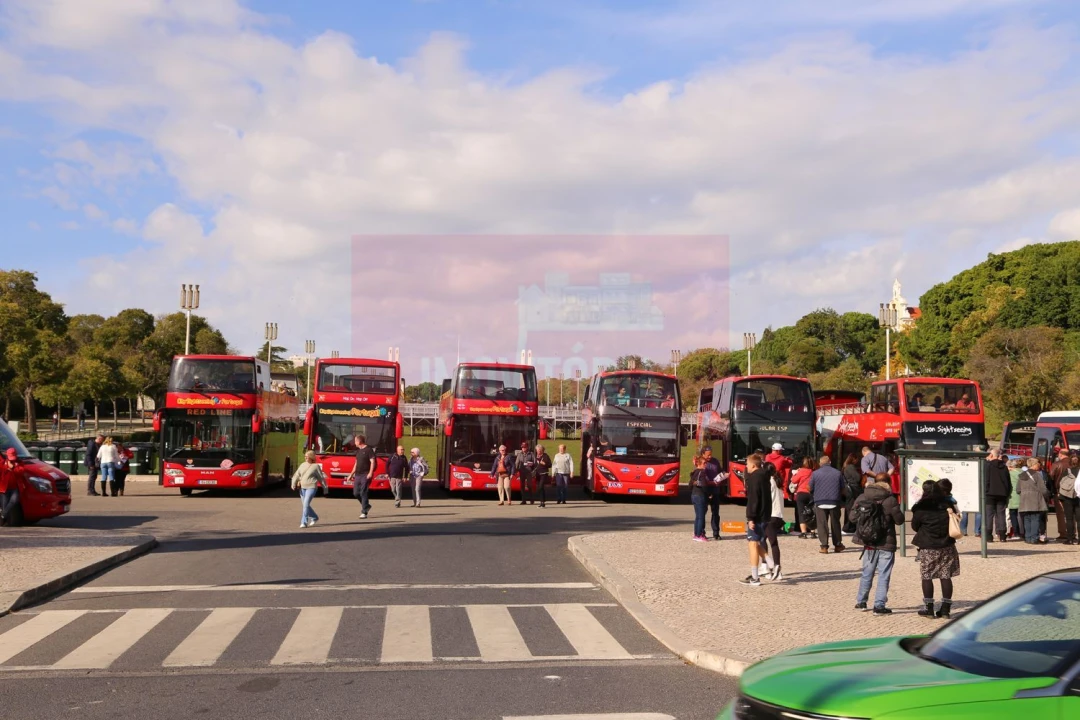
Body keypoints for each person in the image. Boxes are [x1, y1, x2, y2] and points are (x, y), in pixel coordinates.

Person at [853, 472, 904, 615]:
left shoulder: (863, 496)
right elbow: (899, 520)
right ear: (889, 483)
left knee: (867, 572)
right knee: (883, 574)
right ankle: (879, 606)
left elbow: (852, 517)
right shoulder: (890, 500)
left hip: (868, 540)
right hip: (886, 541)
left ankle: (861, 601)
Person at [912, 480, 960, 619]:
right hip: (947, 545)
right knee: (945, 576)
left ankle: (929, 609)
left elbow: (915, 526)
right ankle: (945, 610)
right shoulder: (947, 504)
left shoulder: (921, 507)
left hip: (928, 546)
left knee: (927, 576)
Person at [739, 454, 772, 586]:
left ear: (753, 465)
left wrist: (750, 518)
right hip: (765, 515)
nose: (746, 466)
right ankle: (771, 564)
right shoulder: (765, 476)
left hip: (757, 516)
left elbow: (753, 500)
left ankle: (755, 577)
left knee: (752, 544)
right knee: (756, 542)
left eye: (747, 464)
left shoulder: (754, 478)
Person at [810, 456, 846, 554]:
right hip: (834, 501)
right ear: (830, 462)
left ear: (820, 463)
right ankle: (838, 545)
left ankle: (824, 546)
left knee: (822, 524)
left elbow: (810, 487)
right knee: (835, 524)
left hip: (820, 501)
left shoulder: (815, 473)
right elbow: (843, 488)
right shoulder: (838, 473)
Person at [1017, 458, 1050, 544]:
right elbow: (1043, 489)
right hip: (1035, 498)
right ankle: (1034, 538)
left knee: (1027, 519)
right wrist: (1047, 495)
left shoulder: (1021, 475)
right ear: (1034, 465)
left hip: (1024, 499)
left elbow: (1018, 490)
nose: (1039, 465)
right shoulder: (1037, 475)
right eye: (1037, 464)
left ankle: (1028, 538)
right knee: (1035, 518)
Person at [291, 450, 327, 528]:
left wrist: (325, 488)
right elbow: (296, 475)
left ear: (311, 457)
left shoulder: (316, 466)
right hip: (302, 487)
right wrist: (293, 483)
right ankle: (314, 517)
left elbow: (321, 478)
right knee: (305, 505)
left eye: (307, 456)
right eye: (305, 456)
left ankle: (304, 522)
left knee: (306, 504)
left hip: (311, 487)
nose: (305, 458)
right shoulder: (302, 465)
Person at [984, 449, 1011, 543]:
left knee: (989, 515)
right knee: (1001, 515)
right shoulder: (1004, 467)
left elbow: (986, 480)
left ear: (991, 455)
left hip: (990, 494)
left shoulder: (988, 466)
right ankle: (1002, 536)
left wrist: (986, 491)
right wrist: (1006, 493)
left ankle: (988, 536)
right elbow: (1007, 482)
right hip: (1002, 494)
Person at [764, 462, 785, 581]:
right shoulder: (777, 481)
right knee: (768, 541)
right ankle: (772, 567)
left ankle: (771, 567)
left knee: (766, 542)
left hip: (770, 515)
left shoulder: (769, 482)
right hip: (778, 515)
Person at [346, 435, 376, 519]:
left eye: (355, 441)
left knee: (363, 492)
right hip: (358, 475)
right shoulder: (358, 451)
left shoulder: (369, 450)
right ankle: (366, 505)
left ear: (359, 442)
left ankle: (364, 512)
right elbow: (356, 464)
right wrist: (351, 474)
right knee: (356, 493)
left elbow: (372, 462)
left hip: (365, 474)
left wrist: (370, 473)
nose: (354, 443)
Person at [702, 447, 726, 540]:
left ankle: (716, 533)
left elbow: (720, 471)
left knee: (716, 512)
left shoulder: (715, 461)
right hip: (705, 490)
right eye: (708, 455)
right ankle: (702, 532)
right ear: (703, 454)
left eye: (711, 454)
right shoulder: (701, 462)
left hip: (715, 490)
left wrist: (723, 475)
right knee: (703, 512)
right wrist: (711, 482)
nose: (710, 456)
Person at [1049, 449, 1071, 542]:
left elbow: (1051, 477)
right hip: (1074, 492)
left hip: (1059, 491)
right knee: (1072, 513)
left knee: (1061, 513)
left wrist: (1052, 491)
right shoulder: (1075, 463)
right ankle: (1073, 532)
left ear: (1060, 454)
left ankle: (1063, 533)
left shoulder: (1057, 464)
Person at [1056, 455, 1079, 545]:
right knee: (1079, 519)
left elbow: (1059, 483)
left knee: (1069, 518)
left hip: (1067, 497)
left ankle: (1070, 538)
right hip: (1079, 497)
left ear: (1070, 462)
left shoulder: (1067, 471)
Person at [790, 456, 815, 539]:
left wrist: (796, 473)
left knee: (801, 513)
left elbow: (793, 480)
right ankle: (813, 532)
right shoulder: (814, 472)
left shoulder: (801, 471)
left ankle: (803, 533)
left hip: (801, 494)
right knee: (812, 513)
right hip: (811, 494)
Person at [841, 453, 863, 534]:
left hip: (848, 489)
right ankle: (848, 527)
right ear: (853, 459)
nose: (857, 461)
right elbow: (857, 478)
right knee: (851, 508)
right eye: (856, 459)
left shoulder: (845, 466)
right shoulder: (850, 467)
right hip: (852, 490)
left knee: (849, 507)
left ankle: (849, 526)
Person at [690, 455, 710, 542]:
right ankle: (698, 535)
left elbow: (689, 485)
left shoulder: (694, 472)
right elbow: (704, 486)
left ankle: (696, 533)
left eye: (706, 463)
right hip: (700, 496)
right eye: (704, 463)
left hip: (694, 495)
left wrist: (695, 484)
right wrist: (709, 494)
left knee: (698, 516)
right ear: (699, 464)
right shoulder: (702, 473)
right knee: (701, 517)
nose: (706, 465)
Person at [0, 448, 20, 525]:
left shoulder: (18, 463)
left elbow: (21, 471)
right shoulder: (2, 463)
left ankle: (4, 514)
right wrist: (7, 468)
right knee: (4, 505)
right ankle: (4, 521)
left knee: (14, 500)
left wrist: (13, 468)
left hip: (14, 487)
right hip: (4, 488)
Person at [1007, 457, 1023, 539]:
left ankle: (1016, 533)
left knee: (1013, 515)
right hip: (1023, 497)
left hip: (1013, 497)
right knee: (1021, 516)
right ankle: (1023, 532)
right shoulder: (1024, 473)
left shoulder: (1010, 474)